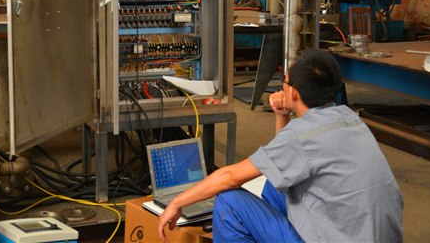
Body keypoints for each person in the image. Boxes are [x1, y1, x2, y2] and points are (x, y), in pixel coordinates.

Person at [158, 48, 403, 243]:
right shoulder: (349, 118)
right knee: (274, 185)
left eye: (283, 81)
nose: (281, 87)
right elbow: (286, 158)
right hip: (368, 233)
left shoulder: (302, 135)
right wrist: (281, 115)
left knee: (229, 202)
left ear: (293, 93)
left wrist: (177, 202)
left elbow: (230, 177)